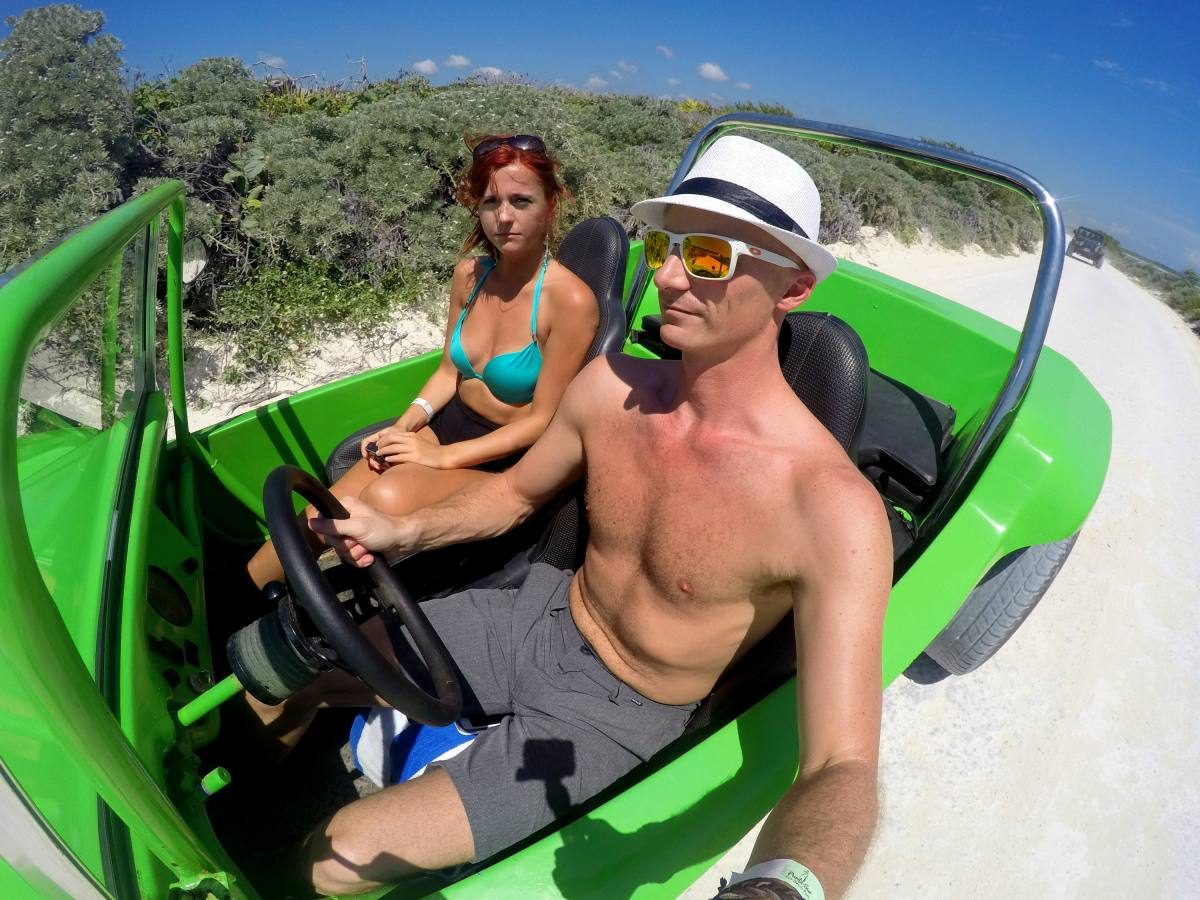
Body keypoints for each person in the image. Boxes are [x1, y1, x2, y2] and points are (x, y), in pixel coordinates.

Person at [283, 135, 892, 899]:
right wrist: (402, 531)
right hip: (536, 615)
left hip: (615, 710)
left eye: (708, 258)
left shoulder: (830, 510)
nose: (667, 276)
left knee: (336, 857)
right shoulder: (613, 389)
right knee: (285, 664)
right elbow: (513, 495)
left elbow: (842, 764)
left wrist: (784, 885)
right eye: (664, 245)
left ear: (793, 286)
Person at [244, 133, 599, 590]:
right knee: (317, 514)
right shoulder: (470, 275)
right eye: (491, 202)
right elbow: (449, 372)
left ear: (551, 206)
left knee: (383, 497)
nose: (504, 217)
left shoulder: (569, 300)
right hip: (446, 425)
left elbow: (542, 421)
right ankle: (242, 603)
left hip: (501, 455)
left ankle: (329, 619)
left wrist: (443, 458)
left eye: (521, 201)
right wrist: (408, 425)